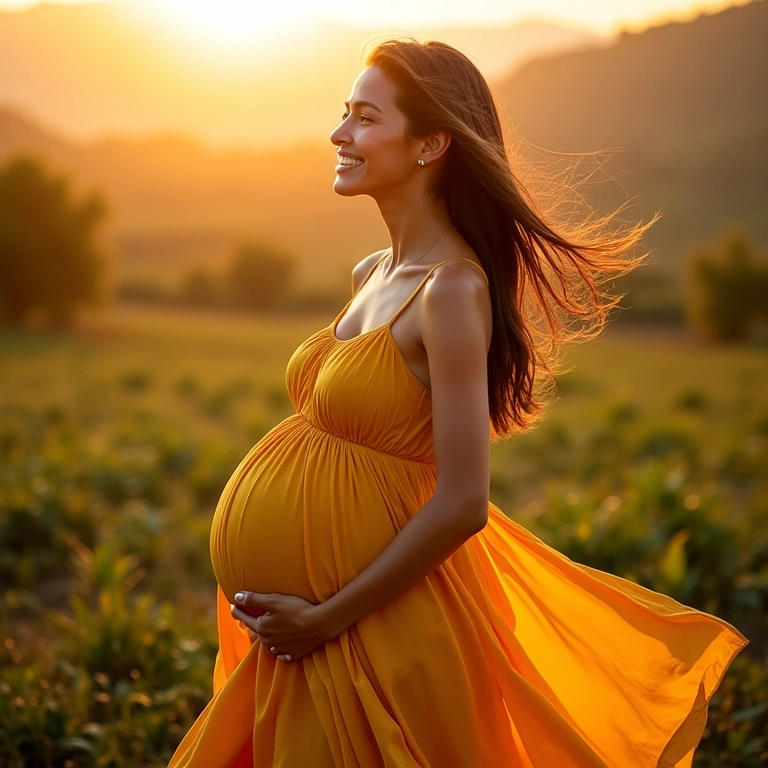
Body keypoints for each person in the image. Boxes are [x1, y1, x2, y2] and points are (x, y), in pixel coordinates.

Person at [169, 39, 747, 768]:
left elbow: (464, 502)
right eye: (342, 114)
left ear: (430, 143)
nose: (338, 135)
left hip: (372, 630)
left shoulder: (451, 291)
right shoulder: (371, 271)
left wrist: (324, 617)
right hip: (304, 635)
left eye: (364, 117)